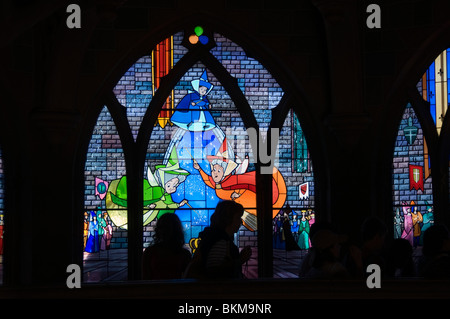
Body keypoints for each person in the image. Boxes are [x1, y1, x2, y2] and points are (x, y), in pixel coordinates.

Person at [184, 200, 252, 279]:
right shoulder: (220, 241)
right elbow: (214, 272)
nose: (241, 222)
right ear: (228, 219)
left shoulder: (214, 238)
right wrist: (240, 260)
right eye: (238, 217)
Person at [142, 213, 191, 280]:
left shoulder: (150, 252)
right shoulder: (184, 254)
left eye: (166, 228)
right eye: (161, 227)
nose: (163, 231)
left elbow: (145, 277)